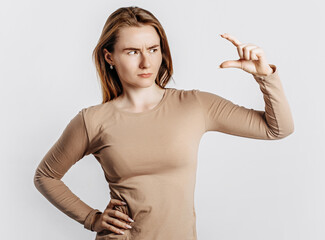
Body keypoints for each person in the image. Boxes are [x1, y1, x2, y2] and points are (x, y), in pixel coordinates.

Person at [33, 6, 294, 240]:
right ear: (110, 57)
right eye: (133, 51)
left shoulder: (195, 105)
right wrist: (92, 219)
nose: (146, 62)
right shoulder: (92, 120)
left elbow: (277, 129)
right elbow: (46, 176)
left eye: (153, 49)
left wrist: (265, 76)